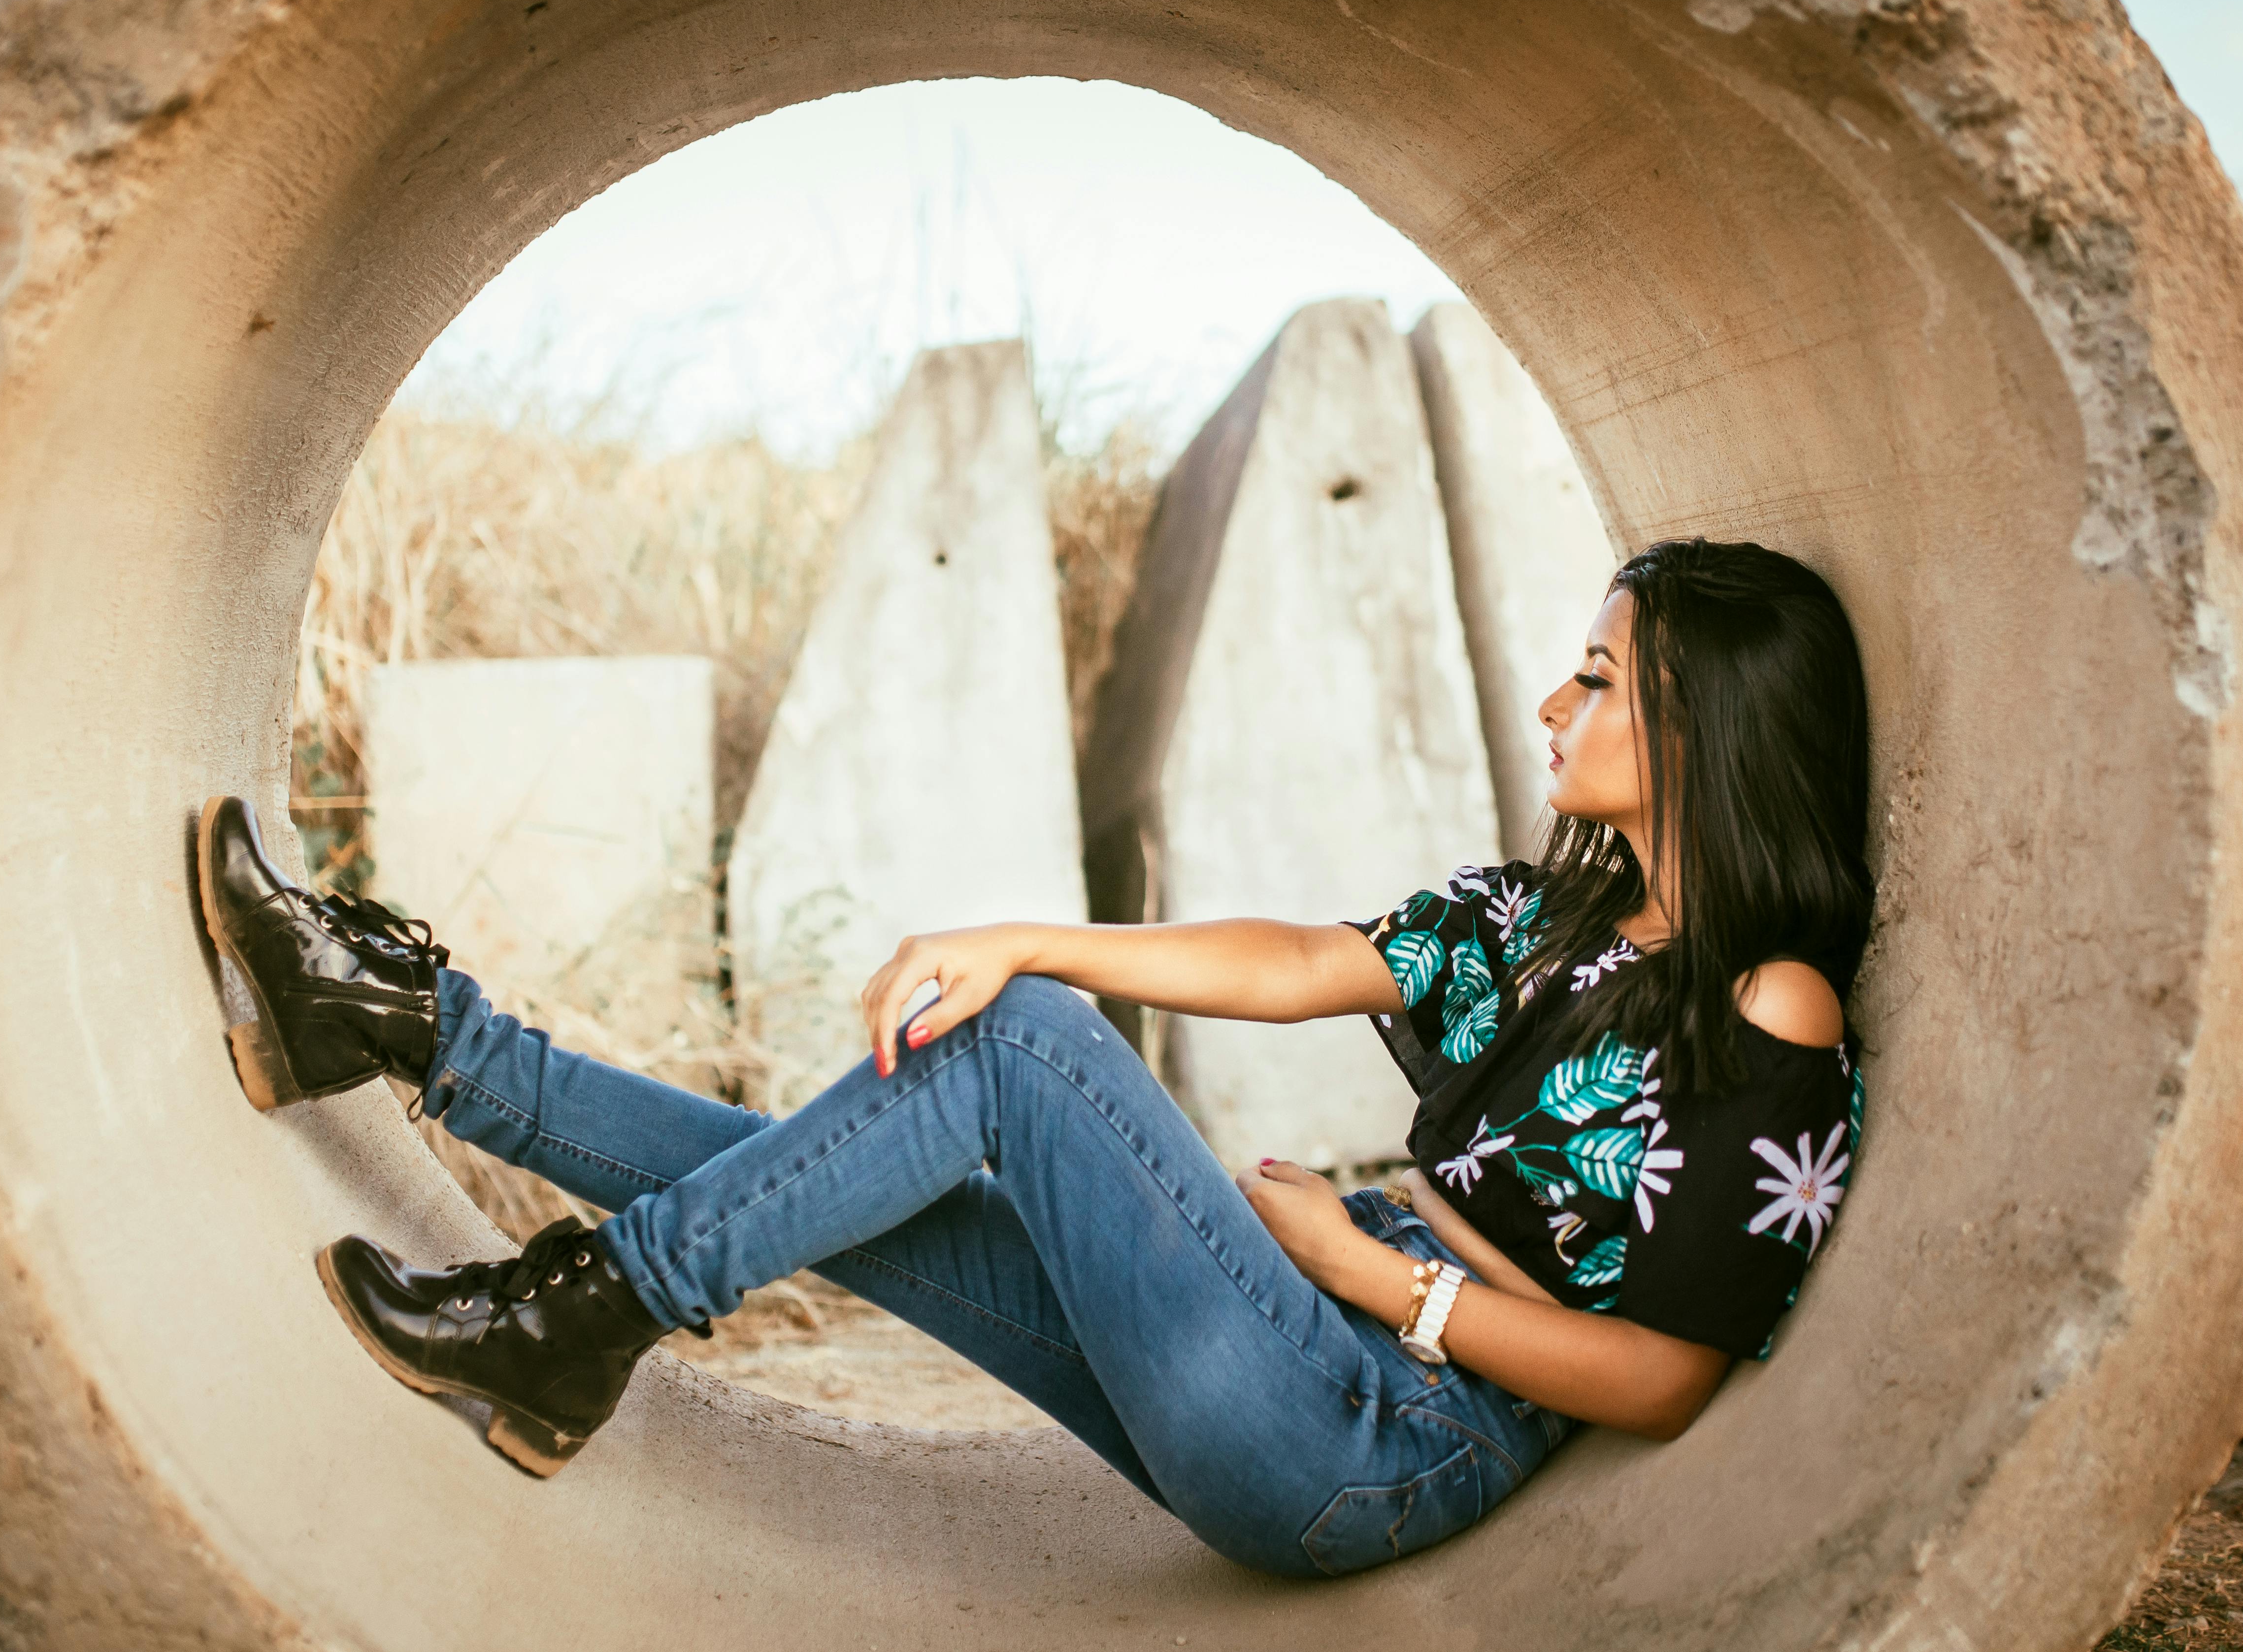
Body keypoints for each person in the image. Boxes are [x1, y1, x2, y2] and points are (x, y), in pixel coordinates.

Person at [194, 536, 1872, 1579]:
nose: (1553, 704)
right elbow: (1296, 960)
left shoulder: (1771, 1008)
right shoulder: (1546, 914)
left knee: (1017, 1044)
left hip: (1387, 1428)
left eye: (1598, 677)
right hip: (1321, 1338)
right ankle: (415, 1037)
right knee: (869, 1173)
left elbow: (1667, 1375)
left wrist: (1379, 1274)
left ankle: (578, 1319)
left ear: (1705, 725)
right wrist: (1039, 928)